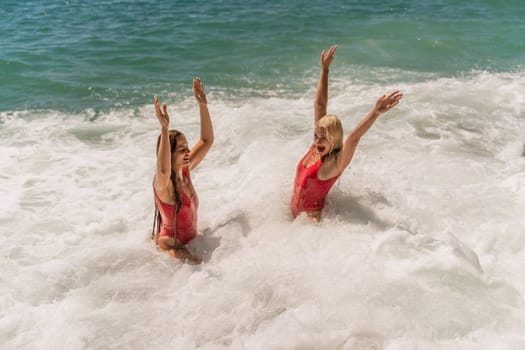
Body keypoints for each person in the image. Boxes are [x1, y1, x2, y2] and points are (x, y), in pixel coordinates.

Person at [290, 46, 403, 221]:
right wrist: (325, 70)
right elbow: (320, 105)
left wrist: (375, 113)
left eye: (323, 138)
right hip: (294, 217)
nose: (318, 141)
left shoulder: (333, 164)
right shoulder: (317, 148)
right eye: (316, 136)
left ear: (334, 138)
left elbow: (354, 138)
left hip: (309, 225)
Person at [151, 78, 213, 263]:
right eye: (181, 149)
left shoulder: (184, 170)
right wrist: (164, 129)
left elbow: (206, 140)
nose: (188, 151)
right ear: (170, 155)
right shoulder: (164, 183)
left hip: (190, 241)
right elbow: (162, 169)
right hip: (172, 247)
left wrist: (202, 105)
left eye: (187, 146)